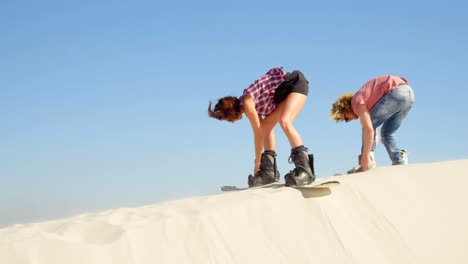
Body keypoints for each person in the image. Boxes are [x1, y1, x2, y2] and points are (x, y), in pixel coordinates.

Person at [208, 67, 315, 187]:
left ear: (231, 113)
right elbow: (262, 130)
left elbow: (258, 136)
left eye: (227, 119)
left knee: (285, 121)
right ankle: (269, 173)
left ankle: (306, 171)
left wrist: (257, 163)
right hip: (285, 93)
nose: (230, 122)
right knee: (266, 126)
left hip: (295, 84)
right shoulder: (250, 104)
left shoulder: (248, 103)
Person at [330, 75, 415, 171]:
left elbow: (369, 130)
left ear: (346, 108)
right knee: (386, 133)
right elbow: (374, 134)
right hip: (409, 94)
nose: (348, 121)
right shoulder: (367, 102)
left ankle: (367, 163)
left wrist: (365, 155)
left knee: (368, 126)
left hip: (397, 92)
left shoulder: (356, 102)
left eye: (345, 118)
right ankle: (399, 159)